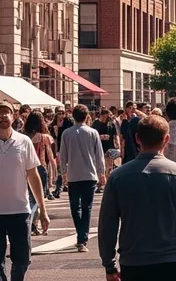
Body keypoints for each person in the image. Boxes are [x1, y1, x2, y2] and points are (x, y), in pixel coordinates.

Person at [98, 114, 176, 281]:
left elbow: (107, 225)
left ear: (137, 138)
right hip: (172, 260)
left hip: (133, 261)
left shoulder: (118, 177)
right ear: (166, 139)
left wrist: (109, 264)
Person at [0, 100, 49, 281]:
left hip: (20, 211)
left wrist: (43, 210)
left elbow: (33, 176)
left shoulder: (24, 141)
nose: (3, 115)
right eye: (0, 112)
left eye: (7, 112)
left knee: (22, 260)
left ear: (14, 116)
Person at [59, 104, 106, 252]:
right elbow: (99, 154)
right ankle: (82, 238)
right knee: (87, 208)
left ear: (73, 116)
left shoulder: (66, 133)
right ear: (87, 117)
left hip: (73, 175)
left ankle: (80, 235)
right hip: (89, 174)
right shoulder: (93, 132)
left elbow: (63, 155)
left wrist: (63, 172)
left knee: (75, 207)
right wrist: (102, 172)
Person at [23, 112, 56, 232]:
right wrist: (54, 172)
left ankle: (34, 224)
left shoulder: (24, 137)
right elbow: (50, 157)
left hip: (26, 169)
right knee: (37, 198)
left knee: (29, 197)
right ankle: (30, 221)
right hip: (40, 168)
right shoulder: (45, 137)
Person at [92, 108, 119, 180]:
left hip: (109, 147)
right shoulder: (95, 123)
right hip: (99, 146)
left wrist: (117, 143)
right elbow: (93, 135)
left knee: (109, 166)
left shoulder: (110, 123)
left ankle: (107, 181)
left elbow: (115, 134)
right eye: (107, 116)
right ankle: (100, 181)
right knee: (100, 165)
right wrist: (101, 137)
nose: (108, 118)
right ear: (102, 116)